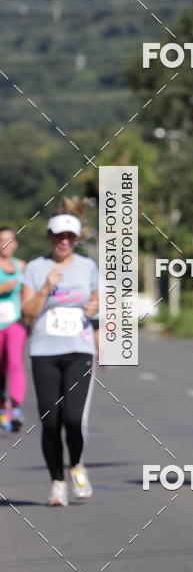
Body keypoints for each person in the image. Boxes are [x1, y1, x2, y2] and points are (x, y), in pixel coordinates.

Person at [22, 213, 98, 507]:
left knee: (73, 418)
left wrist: (94, 307)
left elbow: (97, 302)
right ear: (50, 237)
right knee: (50, 422)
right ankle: (57, 482)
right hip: (44, 352)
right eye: (58, 236)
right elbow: (27, 313)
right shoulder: (36, 268)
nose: (64, 241)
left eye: (70, 237)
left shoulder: (87, 267)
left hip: (79, 350)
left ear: (76, 240)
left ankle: (76, 465)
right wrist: (45, 287)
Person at [0, 227, 27, 432]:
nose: (5, 245)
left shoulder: (22, 266)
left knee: (15, 363)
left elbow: (30, 293)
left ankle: (16, 408)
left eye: (9, 241)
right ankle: (3, 405)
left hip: (15, 323)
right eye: (1, 241)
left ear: (15, 243)